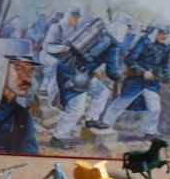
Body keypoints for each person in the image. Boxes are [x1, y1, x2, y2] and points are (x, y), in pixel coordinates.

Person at [51, 18, 121, 149]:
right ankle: (58, 138)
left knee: (102, 91)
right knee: (76, 110)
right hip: (78, 75)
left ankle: (91, 120)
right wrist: (119, 76)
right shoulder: (113, 45)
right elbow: (112, 72)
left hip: (66, 67)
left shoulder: (97, 32)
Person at [94, 24, 170, 138]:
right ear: (155, 33)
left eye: (166, 34)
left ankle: (149, 132)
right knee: (119, 103)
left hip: (152, 83)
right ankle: (105, 123)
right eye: (161, 33)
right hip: (136, 80)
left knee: (155, 108)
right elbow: (130, 59)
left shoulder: (167, 47)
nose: (164, 36)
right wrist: (143, 71)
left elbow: (166, 65)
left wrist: (168, 77)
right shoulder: (144, 41)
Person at [39, 8, 81, 102]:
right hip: (47, 55)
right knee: (55, 64)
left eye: (77, 17)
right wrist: (62, 48)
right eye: (74, 16)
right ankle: (45, 89)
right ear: (68, 16)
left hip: (61, 57)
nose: (76, 19)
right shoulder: (56, 27)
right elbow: (47, 46)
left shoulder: (74, 29)